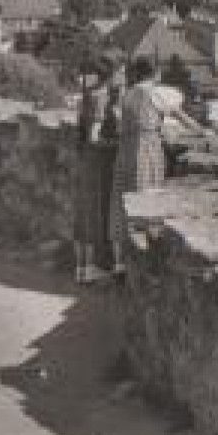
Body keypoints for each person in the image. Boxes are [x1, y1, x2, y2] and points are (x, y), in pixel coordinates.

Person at [107, 57, 202, 280]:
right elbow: (180, 115)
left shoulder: (128, 95)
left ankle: (120, 261)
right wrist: (202, 131)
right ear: (154, 74)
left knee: (122, 200)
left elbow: (121, 123)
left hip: (125, 149)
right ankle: (146, 263)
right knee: (146, 197)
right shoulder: (155, 93)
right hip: (146, 147)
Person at [73, 81, 121, 285]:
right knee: (95, 212)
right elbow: (94, 135)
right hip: (97, 160)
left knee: (85, 211)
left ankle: (82, 268)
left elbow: (83, 132)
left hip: (86, 158)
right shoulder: (102, 96)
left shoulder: (89, 94)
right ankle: (92, 268)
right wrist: (117, 143)